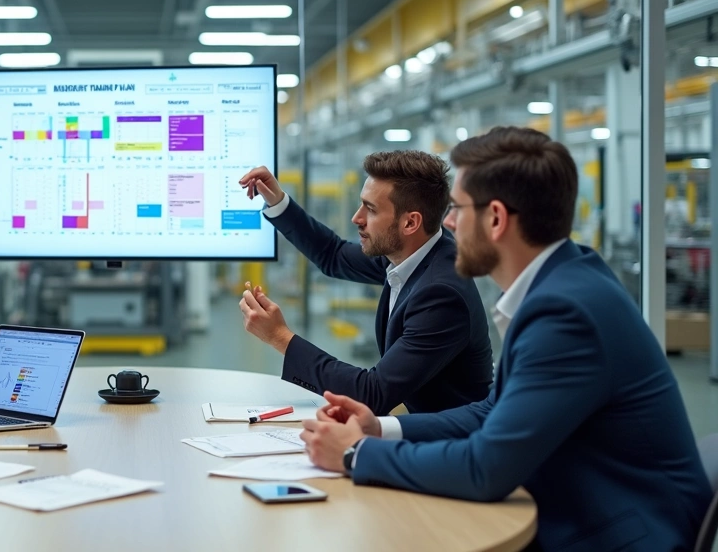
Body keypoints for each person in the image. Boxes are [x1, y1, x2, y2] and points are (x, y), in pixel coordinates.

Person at [303, 128, 710, 551]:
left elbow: (486, 468)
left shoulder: (565, 313)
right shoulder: (566, 280)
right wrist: (382, 428)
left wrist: (355, 455)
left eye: (458, 208)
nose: (448, 222)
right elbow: (494, 411)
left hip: (616, 534)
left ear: (495, 218)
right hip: (588, 510)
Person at [237, 151, 492, 415]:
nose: (357, 218)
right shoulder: (413, 252)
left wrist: (279, 336)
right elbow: (332, 255)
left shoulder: (441, 294)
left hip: (451, 444)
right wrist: (277, 201)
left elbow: (372, 393)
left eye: (370, 209)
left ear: (410, 222)